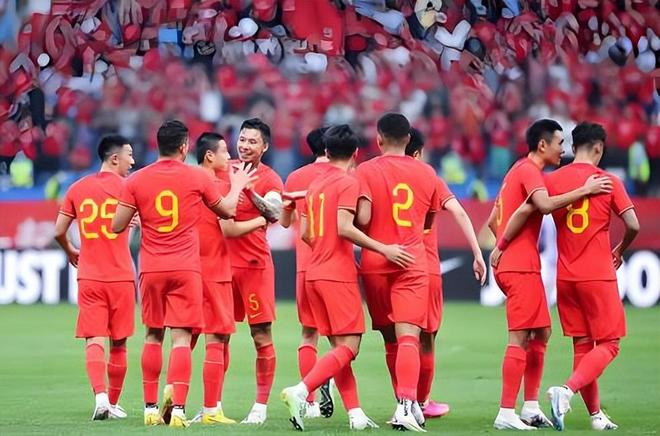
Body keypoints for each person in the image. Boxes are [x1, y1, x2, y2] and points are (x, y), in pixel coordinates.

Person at [110, 120, 256, 427]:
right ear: (184, 146)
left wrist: (142, 213)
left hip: (151, 267)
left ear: (158, 144)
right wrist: (238, 185)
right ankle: (178, 410)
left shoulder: (136, 180)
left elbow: (117, 225)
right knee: (181, 339)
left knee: (153, 335)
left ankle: (150, 409)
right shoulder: (196, 176)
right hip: (185, 267)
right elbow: (227, 211)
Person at [496, 122, 639, 431]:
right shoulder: (608, 181)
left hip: (566, 276)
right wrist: (620, 248)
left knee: (582, 346)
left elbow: (523, 210)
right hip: (598, 274)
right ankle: (566, 390)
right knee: (610, 344)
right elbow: (633, 224)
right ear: (599, 148)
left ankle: (596, 416)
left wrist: (500, 245)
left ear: (574, 147)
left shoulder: (551, 179)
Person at [281, 124, 412, 431]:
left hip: (313, 272)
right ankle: (301, 390)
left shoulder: (315, 185)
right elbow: (346, 226)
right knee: (350, 347)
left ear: (326, 152)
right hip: (336, 274)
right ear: (355, 152)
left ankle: (355, 414)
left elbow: (306, 233)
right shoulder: (348, 182)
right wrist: (384, 248)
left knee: (338, 349)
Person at [355, 113, 439, 432]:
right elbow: (428, 221)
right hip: (412, 261)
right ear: (408, 139)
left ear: (378, 139)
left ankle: (405, 404)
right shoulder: (427, 172)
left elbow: (363, 219)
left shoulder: (365, 170)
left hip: (376, 261)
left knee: (390, 339)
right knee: (409, 338)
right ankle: (408, 404)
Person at [405, 128, 487, 418]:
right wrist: (477, 253)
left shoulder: (379, 174)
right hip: (424, 266)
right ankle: (420, 403)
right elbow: (460, 212)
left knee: (398, 340)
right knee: (426, 338)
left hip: (390, 263)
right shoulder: (428, 176)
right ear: (418, 152)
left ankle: (404, 401)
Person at [53, 134, 136, 421]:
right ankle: (112, 402)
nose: (132, 161)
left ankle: (100, 399)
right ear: (114, 158)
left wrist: (70, 250)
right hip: (121, 276)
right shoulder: (129, 189)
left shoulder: (77, 188)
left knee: (94, 340)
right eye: (129, 155)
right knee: (119, 343)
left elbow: (58, 231)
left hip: (89, 275)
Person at [193, 132, 268, 425]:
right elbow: (229, 226)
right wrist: (261, 218)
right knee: (217, 336)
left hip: (193, 266)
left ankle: (173, 404)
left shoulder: (190, 179)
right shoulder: (214, 183)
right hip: (215, 268)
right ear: (209, 156)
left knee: (184, 337)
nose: (232, 155)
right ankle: (211, 409)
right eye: (226, 150)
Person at [217, 118, 284, 424]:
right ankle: (212, 406)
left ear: (264, 147)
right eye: (242, 139)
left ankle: (260, 407)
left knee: (260, 335)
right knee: (218, 335)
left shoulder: (270, 178)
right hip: (221, 264)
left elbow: (275, 211)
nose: (244, 145)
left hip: (254, 266)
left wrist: (249, 191)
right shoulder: (223, 169)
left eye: (252, 141)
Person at [280, 127, 334, 419]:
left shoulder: (295, 177)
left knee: (308, 333)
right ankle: (336, 387)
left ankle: (310, 401)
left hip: (306, 264)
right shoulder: (344, 175)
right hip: (336, 264)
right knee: (342, 340)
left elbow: (285, 221)